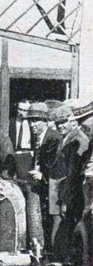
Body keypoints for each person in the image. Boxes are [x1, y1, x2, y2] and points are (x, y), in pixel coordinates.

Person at [50, 105, 90, 251]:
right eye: (57, 124)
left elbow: (73, 173)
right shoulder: (66, 138)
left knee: (65, 229)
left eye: (63, 122)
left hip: (69, 194)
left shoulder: (79, 140)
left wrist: (65, 200)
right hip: (61, 191)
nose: (60, 126)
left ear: (73, 122)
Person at [24, 103, 61, 251]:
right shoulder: (39, 137)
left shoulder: (53, 138)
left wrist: (43, 175)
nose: (32, 124)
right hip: (41, 185)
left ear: (45, 121)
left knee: (51, 221)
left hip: (52, 186)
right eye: (30, 121)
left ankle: (50, 252)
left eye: (36, 121)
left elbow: (56, 164)